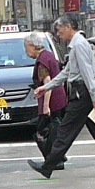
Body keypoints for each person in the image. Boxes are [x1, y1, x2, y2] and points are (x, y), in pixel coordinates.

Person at [28, 13, 95, 179]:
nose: (58, 34)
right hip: (84, 92)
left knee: (65, 131)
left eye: (59, 30)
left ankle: (48, 166)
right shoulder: (77, 44)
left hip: (82, 93)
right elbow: (67, 72)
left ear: (69, 27)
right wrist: (46, 87)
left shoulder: (79, 44)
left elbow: (87, 72)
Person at [24, 32, 66, 169]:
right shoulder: (49, 55)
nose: (26, 51)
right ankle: (58, 158)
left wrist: (46, 106)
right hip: (59, 98)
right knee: (54, 130)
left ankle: (53, 160)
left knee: (42, 131)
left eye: (26, 47)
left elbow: (47, 82)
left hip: (52, 100)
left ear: (32, 46)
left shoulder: (42, 60)